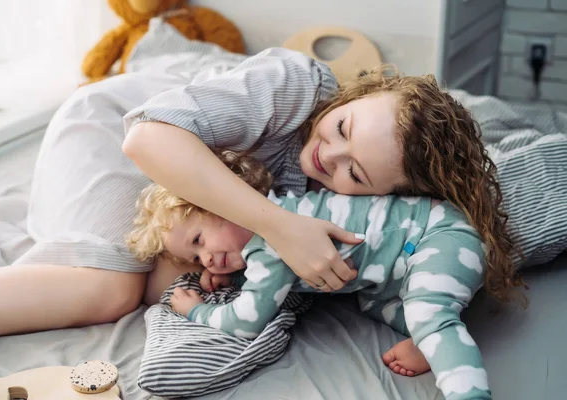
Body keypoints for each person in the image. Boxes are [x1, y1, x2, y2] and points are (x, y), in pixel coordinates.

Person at [0, 47, 523, 343]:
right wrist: (281, 229)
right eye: (344, 129)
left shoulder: (352, 211)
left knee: (170, 279)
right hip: (118, 133)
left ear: (383, 197)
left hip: (180, 191)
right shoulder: (294, 84)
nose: (329, 157)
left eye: (356, 175)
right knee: (111, 289)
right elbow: (147, 138)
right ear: (361, 93)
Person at [126, 151, 496, 400]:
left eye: (199, 240)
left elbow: (245, 322)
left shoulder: (272, 245)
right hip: (402, 267)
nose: (206, 259)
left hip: (438, 235)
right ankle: (427, 338)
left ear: (224, 201)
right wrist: (235, 279)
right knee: (371, 303)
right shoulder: (280, 213)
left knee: (430, 316)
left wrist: (197, 311)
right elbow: (268, 279)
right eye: (195, 258)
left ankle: (466, 387)